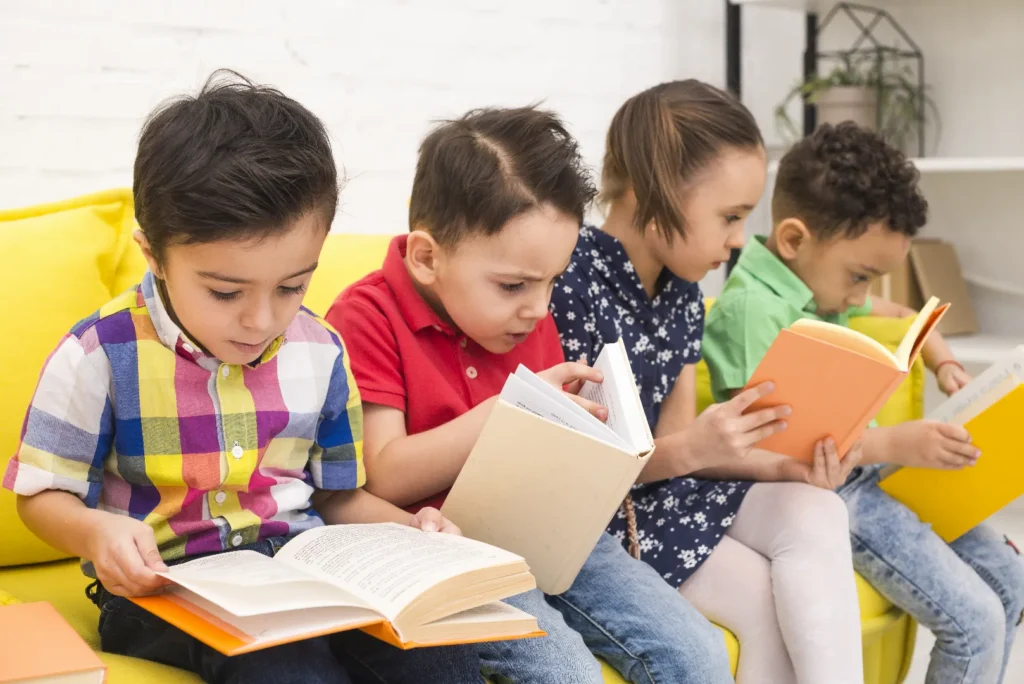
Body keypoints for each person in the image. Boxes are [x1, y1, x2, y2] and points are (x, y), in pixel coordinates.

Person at [3, 71, 485, 684]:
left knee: (437, 652)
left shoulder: (321, 349)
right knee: (287, 667)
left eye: (292, 286)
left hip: (304, 572)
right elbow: (40, 495)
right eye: (226, 291)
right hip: (162, 587)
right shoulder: (99, 353)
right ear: (154, 254)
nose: (262, 320)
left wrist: (412, 530)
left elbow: (337, 496)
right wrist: (98, 531)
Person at [328, 105, 736, 684]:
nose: (539, 309)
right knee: (563, 671)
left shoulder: (524, 319)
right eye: (514, 285)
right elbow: (384, 474)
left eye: (553, 281)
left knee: (697, 654)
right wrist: (503, 414)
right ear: (426, 257)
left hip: (547, 535)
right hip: (441, 548)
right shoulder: (368, 314)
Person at [549, 80, 864, 684]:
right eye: (731, 216)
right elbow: (577, 473)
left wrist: (786, 467)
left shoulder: (684, 293)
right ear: (655, 190)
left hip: (666, 496)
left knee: (816, 505)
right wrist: (695, 447)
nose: (741, 239)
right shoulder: (566, 280)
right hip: (606, 520)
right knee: (762, 604)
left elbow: (681, 449)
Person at [703, 120, 1024, 684]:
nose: (861, 297)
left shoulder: (815, 286)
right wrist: (900, 442)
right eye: (859, 276)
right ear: (795, 240)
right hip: (820, 492)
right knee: (975, 623)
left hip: (868, 476)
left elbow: (902, 316)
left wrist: (943, 359)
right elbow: (784, 440)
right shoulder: (753, 310)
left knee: (1012, 581)